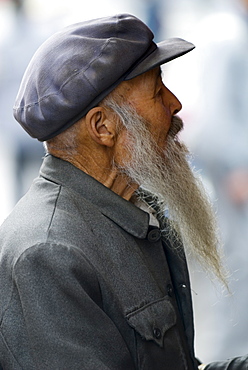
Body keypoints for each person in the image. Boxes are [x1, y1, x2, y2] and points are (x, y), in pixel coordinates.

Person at [0, 13, 247, 370]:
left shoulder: (131, 208)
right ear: (103, 126)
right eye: (157, 91)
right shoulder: (48, 254)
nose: (175, 104)